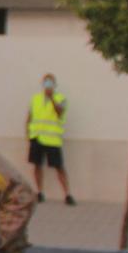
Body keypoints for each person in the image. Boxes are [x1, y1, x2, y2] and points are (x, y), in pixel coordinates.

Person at [24, 73, 74, 205]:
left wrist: (51, 97)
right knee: (37, 165)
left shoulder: (60, 98)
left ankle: (67, 194)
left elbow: (60, 112)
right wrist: (28, 133)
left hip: (52, 140)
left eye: (50, 83)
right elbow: (29, 117)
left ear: (54, 85)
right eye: (46, 83)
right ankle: (40, 192)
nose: (48, 85)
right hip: (37, 137)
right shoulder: (36, 99)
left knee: (59, 167)